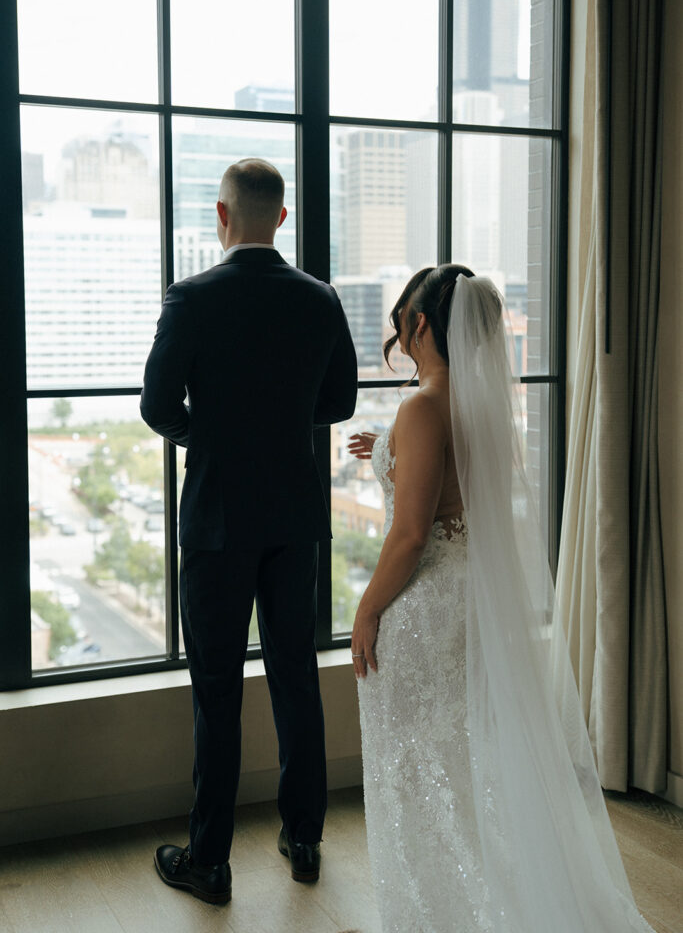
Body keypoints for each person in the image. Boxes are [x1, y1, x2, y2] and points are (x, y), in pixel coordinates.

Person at [348, 265, 654, 932]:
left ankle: (445, 912)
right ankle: (501, 895)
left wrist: (367, 609)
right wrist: (384, 452)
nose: (397, 334)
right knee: (464, 760)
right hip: (468, 601)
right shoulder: (475, 406)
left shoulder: (422, 405)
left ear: (421, 323)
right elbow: (451, 479)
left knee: (419, 767)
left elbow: (408, 534)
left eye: (402, 320)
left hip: (426, 603)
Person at [140, 158, 357, 904]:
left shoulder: (192, 297)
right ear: (282, 219)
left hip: (217, 521)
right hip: (295, 517)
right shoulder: (319, 297)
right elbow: (339, 398)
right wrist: (278, 428)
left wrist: (216, 439)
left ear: (222, 217)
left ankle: (210, 860)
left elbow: (157, 405)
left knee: (216, 692)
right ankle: (303, 839)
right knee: (295, 675)